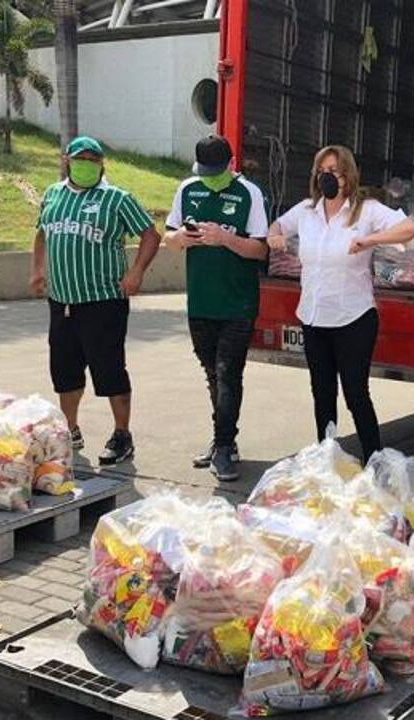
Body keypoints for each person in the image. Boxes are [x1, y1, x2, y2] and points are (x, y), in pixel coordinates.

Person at [266, 145, 414, 461]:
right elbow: (278, 225)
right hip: (313, 316)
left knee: (355, 393)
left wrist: (371, 240)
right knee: (322, 394)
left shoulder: (367, 210)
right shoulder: (307, 211)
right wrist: (274, 235)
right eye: (322, 171)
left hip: (354, 317)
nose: (327, 177)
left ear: (348, 175)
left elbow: (411, 228)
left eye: (334, 171)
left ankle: (374, 460)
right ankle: (328, 459)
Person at [29, 136, 161, 466]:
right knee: (64, 370)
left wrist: (137, 272)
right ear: (67, 160)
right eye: (80, 158)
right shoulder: (53, 194)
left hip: (103, 301)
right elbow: (42, 232)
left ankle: (122, 434)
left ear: (102, 163)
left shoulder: (116, 199)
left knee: (109, 369)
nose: (85, 163)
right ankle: (70, 429)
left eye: (92, 158)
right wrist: (37, 269)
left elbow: (150, 233)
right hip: (61, 301)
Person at [164, 135, 269, 481]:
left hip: (237, 302)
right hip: (201, 300)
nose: (209, 178)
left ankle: (224, 447)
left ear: (231, 163)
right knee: (212, 374)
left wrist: (224, 238)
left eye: (216, 171)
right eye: (204, 171)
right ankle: (223, 439)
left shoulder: (248, 194)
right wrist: (182, 238)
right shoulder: (188, 189)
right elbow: (169, 238)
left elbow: (260, 250)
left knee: (228, 373)